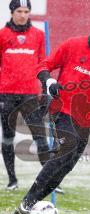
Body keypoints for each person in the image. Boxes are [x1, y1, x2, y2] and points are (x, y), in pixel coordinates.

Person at [13, 10, 90, 214]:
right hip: (61, 108)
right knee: (65, 152)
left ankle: (24, 210)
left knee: (68, 164)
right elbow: (43, 66)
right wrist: (49, 81)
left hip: (86, 117)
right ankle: (27, 203)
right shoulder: (73, 44)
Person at [0, 0, 50, 190]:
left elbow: (43, 65)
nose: (23, 14)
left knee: (40, 137)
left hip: (30, 94)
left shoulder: (39, 35)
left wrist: (45, 92)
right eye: (19, 11)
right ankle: (12, 180)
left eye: (26, 11)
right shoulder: (2, 35)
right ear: (12, 12)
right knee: (7, 138)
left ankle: (48, 180)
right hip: (6, 94)